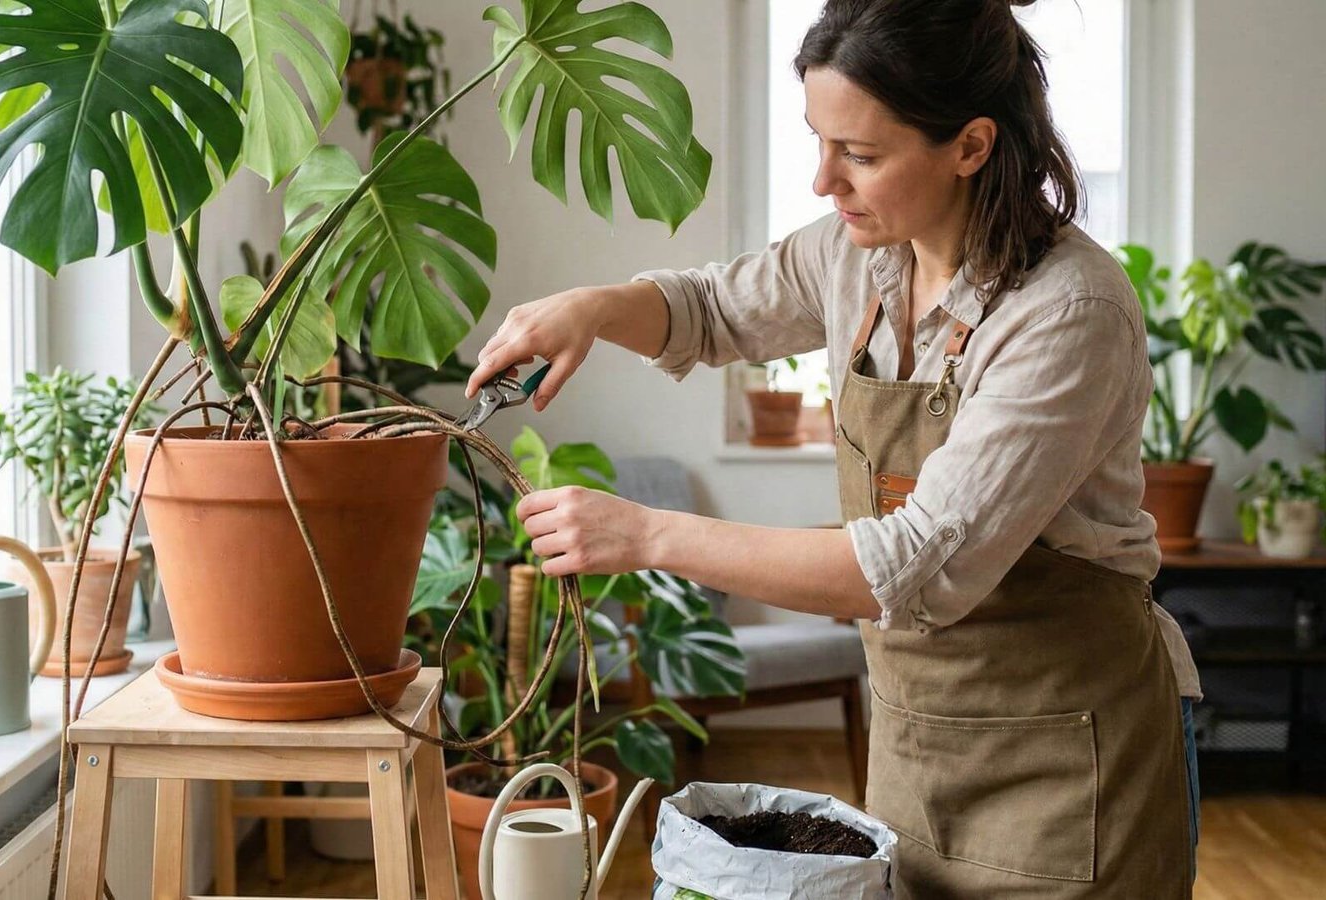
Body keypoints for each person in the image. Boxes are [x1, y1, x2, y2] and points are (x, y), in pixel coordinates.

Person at [464, 0, 1200, 896]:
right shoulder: (858, 256)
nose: (824, 181)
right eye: (819, 140)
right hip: (917, 751)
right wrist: (593, 306)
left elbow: (912, 569)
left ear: (970, 146)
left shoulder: (1068, 313)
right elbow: (711, 308)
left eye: (861, 154)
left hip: (1072, 775)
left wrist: (648, 537)